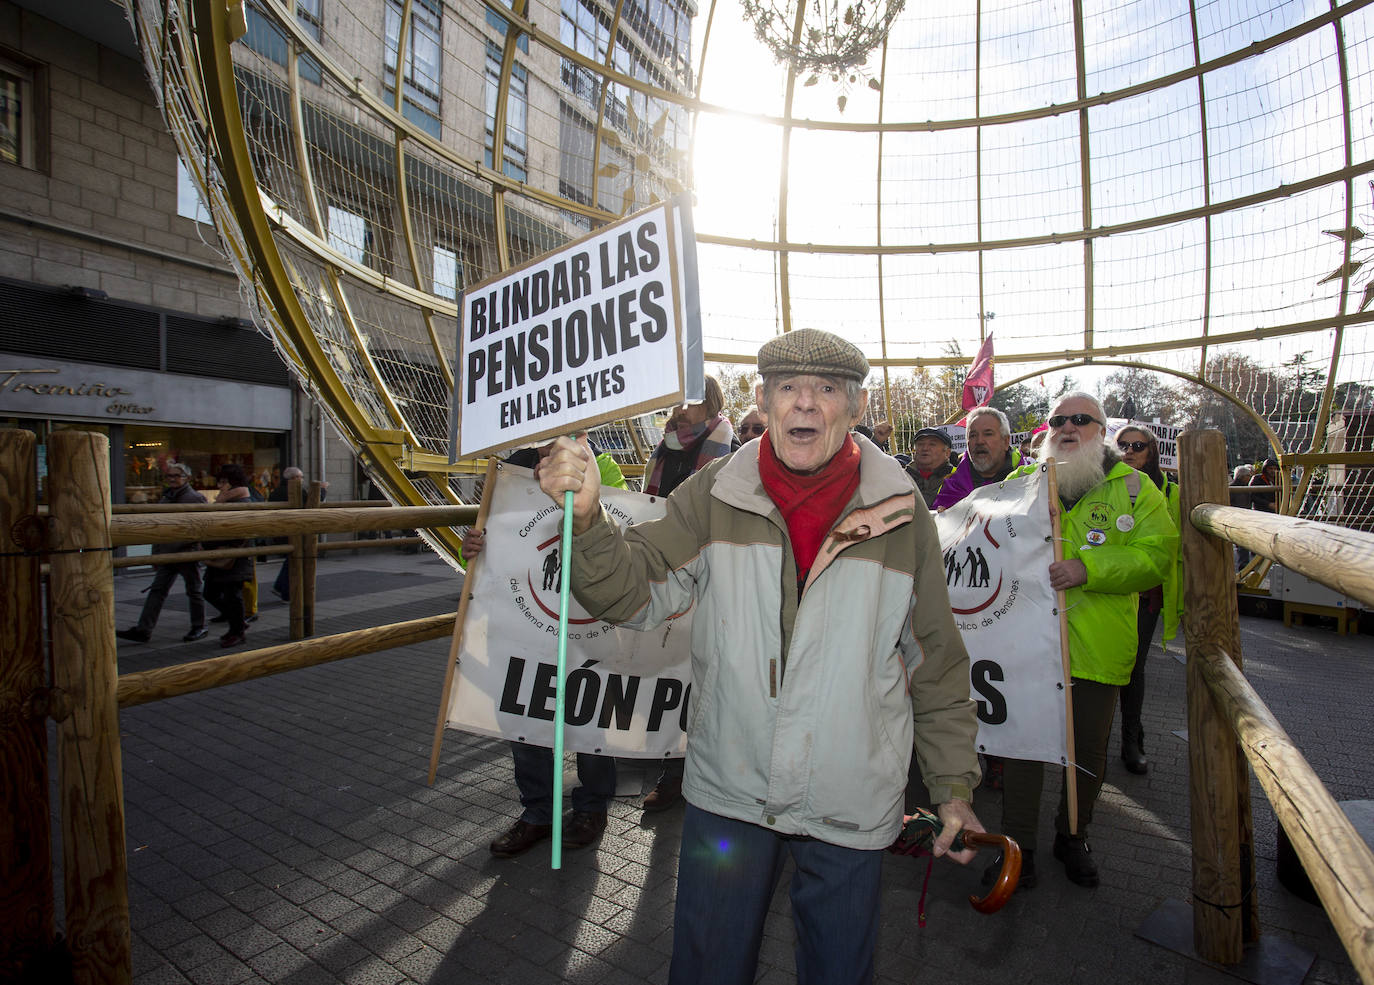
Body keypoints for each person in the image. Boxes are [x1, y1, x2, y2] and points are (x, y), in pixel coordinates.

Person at [536, 328, 984, 985]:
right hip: (731, 789)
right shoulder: (713, 493)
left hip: (849, 796)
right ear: (764, 399)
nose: (805, 403)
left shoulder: (901, 510)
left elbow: (936, 659)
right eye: (788, 388)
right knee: (708, 966)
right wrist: (587, 521)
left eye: (826, 389)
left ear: (854, 408)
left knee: (838, 970)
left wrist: (952, 786)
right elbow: (633, 595)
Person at [989, 394, 1176, 889]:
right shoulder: (1020, 485)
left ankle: (1072, 834)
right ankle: (1016, 846)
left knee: (1088, 751)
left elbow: (1157, 556)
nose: (1067, 427)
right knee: (1024, 747)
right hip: (1029, 643)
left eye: (1081, 420)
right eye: (1058, 420)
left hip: (1097, 645)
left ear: (1101, 428)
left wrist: (1089, 569)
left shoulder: (1135, 489)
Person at [461, 440, 628, 858]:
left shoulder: (601, 466)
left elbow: (629, 530)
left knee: (589, 716)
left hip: (586, 624)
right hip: (526, 623)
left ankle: (591, 809)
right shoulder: (511, 470)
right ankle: (538, 812)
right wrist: (476, 551)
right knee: (525, 715)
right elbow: (496, 545)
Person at [640, 376, 738, 811]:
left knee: (697, 673)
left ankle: (684, 772)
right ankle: (669, 763)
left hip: (708, 573)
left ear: (710, 404)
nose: (680, 411)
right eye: (675, 402)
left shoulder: (729, 454)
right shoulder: (661, 451)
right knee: (668, 673)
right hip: (667, 568)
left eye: (690, 402)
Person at [1113, 426, 1183, 775]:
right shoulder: (1106, 486)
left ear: (1152, 451)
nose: (1128, 451)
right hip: (1105, 589)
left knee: (1132, 665)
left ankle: (1131, 738)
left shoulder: (1169, 491)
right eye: (1122, 445)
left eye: (1137, 446)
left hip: (1144, 594)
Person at [116, 462, 209, 643]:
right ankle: (144, 629)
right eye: (169, 476)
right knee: (157, 591)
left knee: (194, 591)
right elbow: (157, 527)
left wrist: (191, 547)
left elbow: (202, 527)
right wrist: (156, 552)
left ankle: (199, 626)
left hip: (187, 553)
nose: (172, 479)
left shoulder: (195, 498)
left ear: (186, 478)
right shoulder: (166, 498)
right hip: (167, 553)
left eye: (176, 476)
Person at [930, 406, 1022, 511]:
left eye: (988, 434)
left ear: (1005, 441)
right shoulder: (951, 488)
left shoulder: (1029, 479)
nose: (979, 441)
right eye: (973, 435)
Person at [204, 464, 256, 647]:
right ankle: (238, 622)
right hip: (222, 554)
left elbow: (239, 532)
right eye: (220, 481)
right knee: (210, 592)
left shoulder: (241, 502)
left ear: (233, 483)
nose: (220, 486)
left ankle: (237, 630)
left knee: (232, 595)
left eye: (224, 482)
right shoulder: (225, 500)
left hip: (234, 557)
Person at [904, 426, 954, 507]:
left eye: (932, 444)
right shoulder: (903, 477)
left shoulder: (957, 478)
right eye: (920, 444)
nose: (925, 448)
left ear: (947, 453)